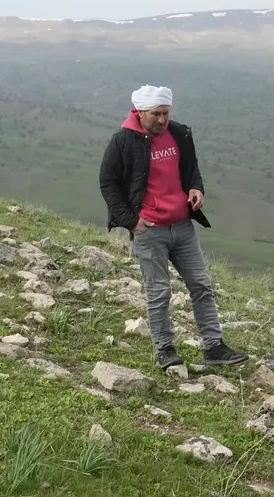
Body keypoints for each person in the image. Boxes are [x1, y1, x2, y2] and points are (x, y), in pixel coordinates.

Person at [98, 84, 248, 371]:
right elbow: (108, 182)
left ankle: (213, 347)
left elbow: (191, 169)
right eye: (156, 114)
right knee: (159, 291)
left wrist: (196, 188)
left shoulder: (179, 133)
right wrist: (131, 221)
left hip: (182, 226)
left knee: (201, 285)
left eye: (166, 113)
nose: (163, 120)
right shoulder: (123, 141)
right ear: (140, 112)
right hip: (149, 230)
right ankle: (165, 350)